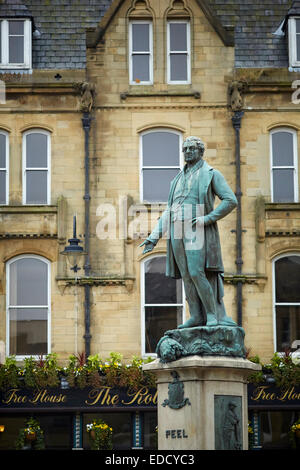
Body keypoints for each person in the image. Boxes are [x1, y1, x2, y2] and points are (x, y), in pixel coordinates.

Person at [140, 136, 237, 328]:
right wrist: (153, 237)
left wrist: (208, 218)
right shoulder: (176, 179)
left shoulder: (211, 174)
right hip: (177, 227)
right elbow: (169, 209)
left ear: (201, 151)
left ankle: (212, 315)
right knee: (185, 275)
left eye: (192, 148)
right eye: (185, 149)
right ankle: (195, 315)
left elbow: (230, 200)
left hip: (196, 226)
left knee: (195, 271)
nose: (187, 152)